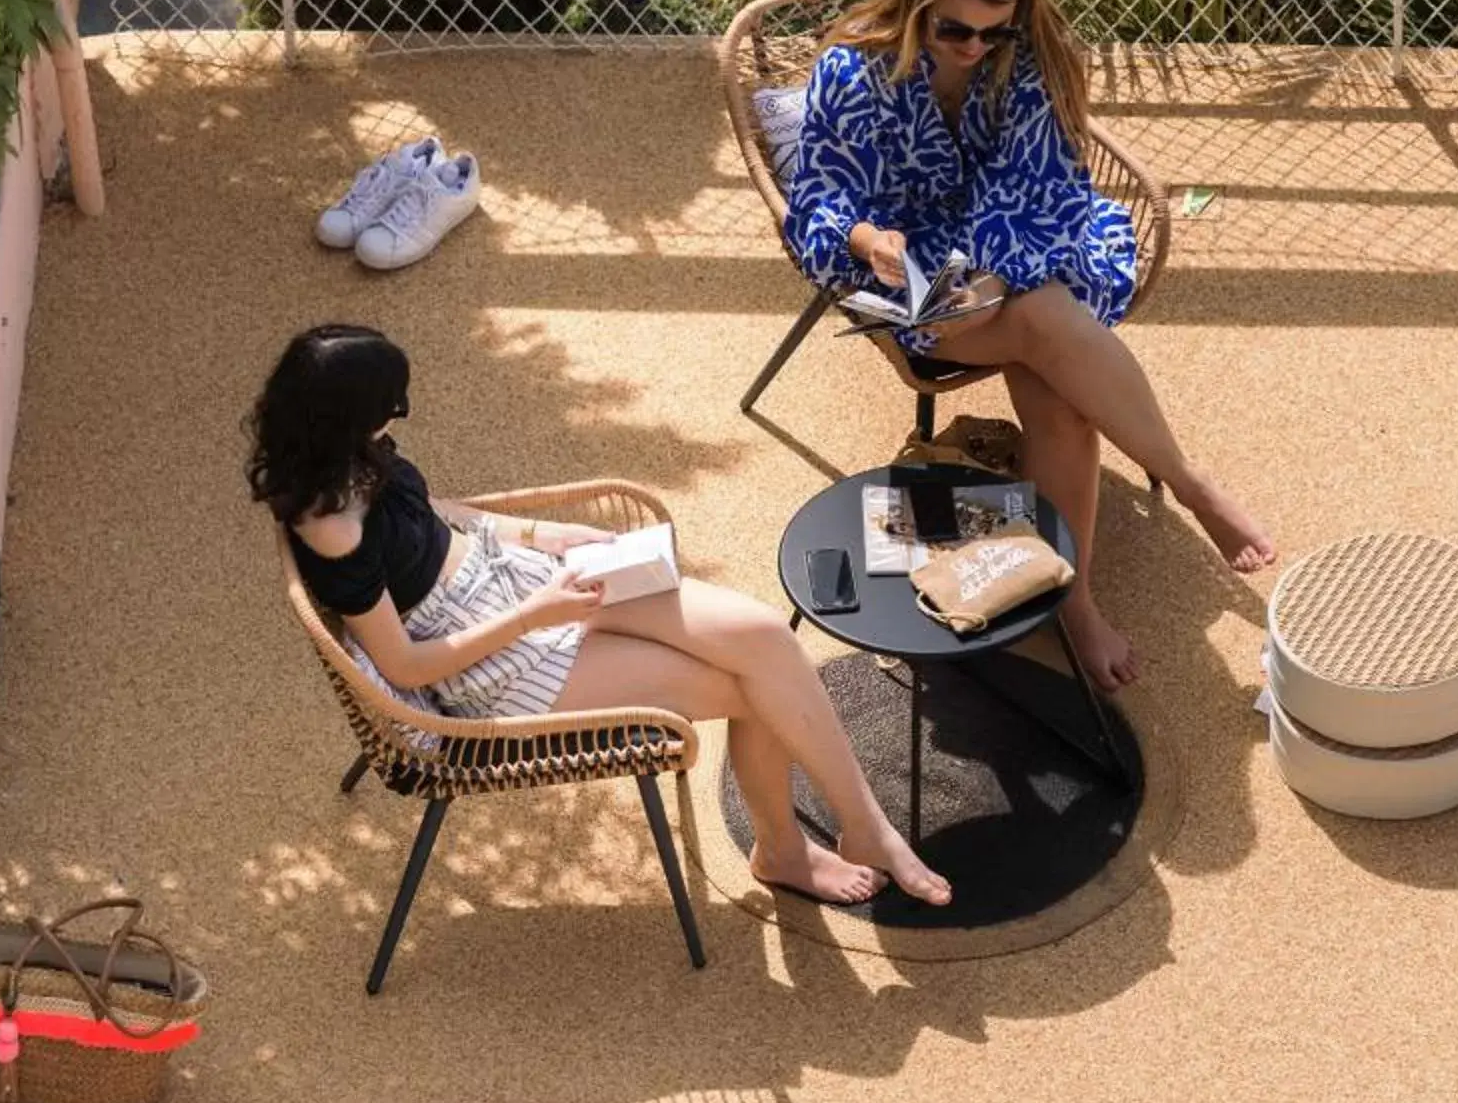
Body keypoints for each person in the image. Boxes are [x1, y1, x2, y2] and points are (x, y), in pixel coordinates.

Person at [249, 325, 949, 909]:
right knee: (751, 692)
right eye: (389, 406)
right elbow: (403, 664)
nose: (399, 415)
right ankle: (783, 852)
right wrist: (533, 615)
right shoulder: (331, 528)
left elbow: (437, 516)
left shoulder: (351, 453)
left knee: (763, 635)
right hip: (494, 658)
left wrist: (541, 537)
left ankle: (864, 827)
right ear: (341, 416)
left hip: (519, 581)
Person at [784, 0, 1274, 694]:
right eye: (954, 30)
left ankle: (1078, 591)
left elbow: (1033, 193)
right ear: (918, 3)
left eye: (994, 33)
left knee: (1052, 373)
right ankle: (1167, 502)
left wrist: (986, 279)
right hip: (910, 285)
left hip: (1022, 260)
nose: (975, 47)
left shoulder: (1026, 65)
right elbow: (816, 197)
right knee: (1047, 339)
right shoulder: (851, 73)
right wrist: (870, 241)